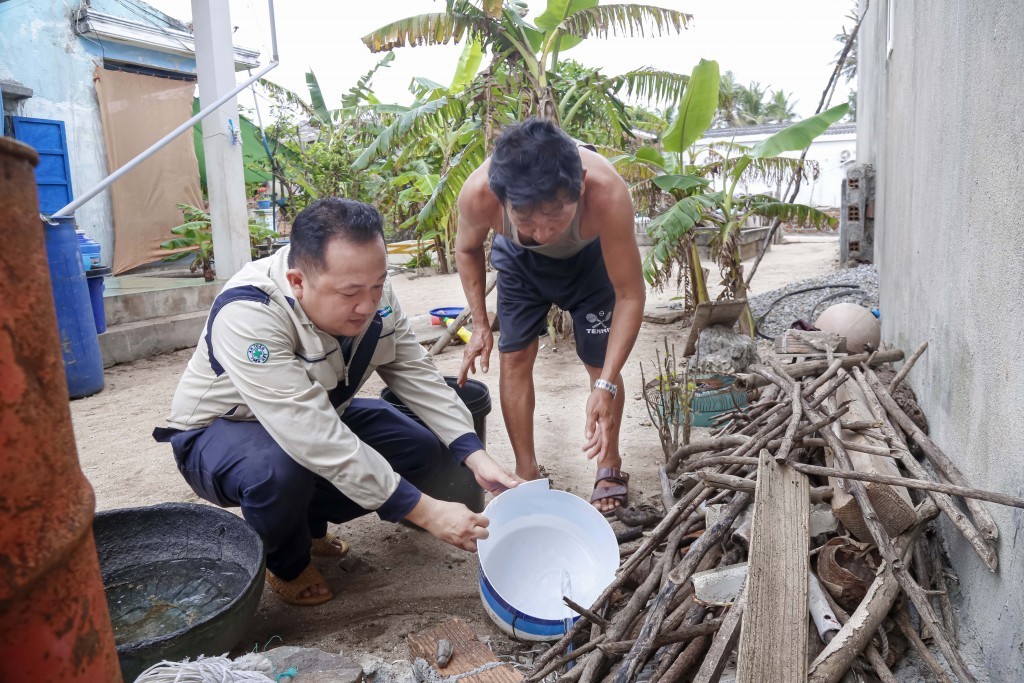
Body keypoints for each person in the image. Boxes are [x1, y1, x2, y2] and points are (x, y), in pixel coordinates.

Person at [154, 198, 521, 607]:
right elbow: (308, 432)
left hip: (317, 414)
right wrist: (427, 512)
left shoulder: (373, 292)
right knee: (278, 469)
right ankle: (286, 562)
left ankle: (304, 525)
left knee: (418, 448)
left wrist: (473, 453)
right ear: (297, 282)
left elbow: (413, 370)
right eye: (349, 293)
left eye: (377, 285)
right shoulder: (249, 311)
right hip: (223, 432)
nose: (367, 305)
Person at [454, 117, 645, 514]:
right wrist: (479, 324)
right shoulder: (478, 194)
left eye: (555, 219)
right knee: (515, 358)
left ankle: (609, 462)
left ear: (579, 188)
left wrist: (606, 383)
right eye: (525, 222)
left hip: (590, 264)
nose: (542, 234)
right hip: (519, 267)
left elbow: (629, 293)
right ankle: (527, 470)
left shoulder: (606, 191)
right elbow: (467, 250)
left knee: (599, 363)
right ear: (501, 198)